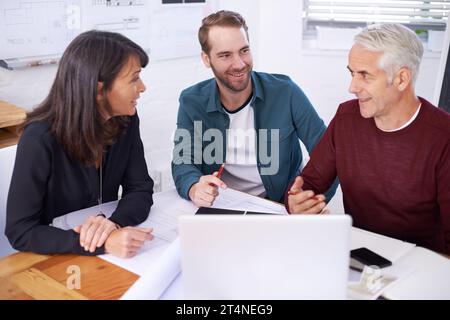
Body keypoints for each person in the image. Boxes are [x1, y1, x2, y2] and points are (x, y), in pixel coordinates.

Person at [286, 24, 450, 255]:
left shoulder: (443, 137)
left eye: (365, 75)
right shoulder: (346, 118)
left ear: (402, 78)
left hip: (421, 266)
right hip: (359, 257)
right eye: (352, 73)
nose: (352, 87)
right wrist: (296, 202)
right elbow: (309, 184)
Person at [6, 30, 155, 258]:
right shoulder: (39, 139)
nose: (142, 87)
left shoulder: (126, 120)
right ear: (98, 89)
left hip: (108, 258)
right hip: (56, 258)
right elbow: (20, 231)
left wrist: (114, 224)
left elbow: (140, 189)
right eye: (134, 78)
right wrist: (102, 243)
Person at [172, 10, 337, 208]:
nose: (240, 64)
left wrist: (305, 201)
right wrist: (193, 187)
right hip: (222, 206)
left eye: (244, 50)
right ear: (206, 59)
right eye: (225, 55)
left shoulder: (286, 92)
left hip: (279, 206)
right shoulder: (191, 101)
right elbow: (183, 160)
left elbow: (329, 155)